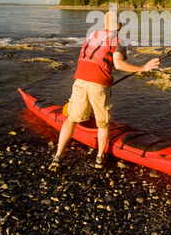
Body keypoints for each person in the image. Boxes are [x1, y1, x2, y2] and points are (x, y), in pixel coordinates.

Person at [49, 10, 160, 171]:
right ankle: (99, 158)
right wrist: (143, 68)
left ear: (103, 24)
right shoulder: (118, 40)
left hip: (79, 80)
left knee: (71, 119)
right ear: (118, 26)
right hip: (98, 84)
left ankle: (58, 156)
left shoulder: (91, 35)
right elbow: (119, 64)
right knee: (103, 123)